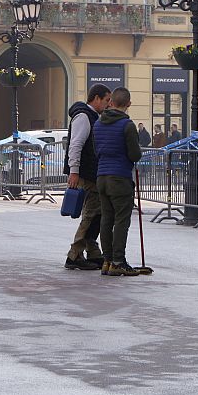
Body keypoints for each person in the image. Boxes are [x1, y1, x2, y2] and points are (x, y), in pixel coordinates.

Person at [93, 87, 143, 277]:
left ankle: (107, 260)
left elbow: (96, 150)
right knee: (121, 220)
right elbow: (134, 154)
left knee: (106, 219)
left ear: (111, 102)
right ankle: (118, 261)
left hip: (102, 176)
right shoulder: (127, 125)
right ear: (128, 104)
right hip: (120, 177)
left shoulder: (98, 124)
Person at [62, 83, 111, 271]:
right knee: (91, 214)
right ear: (96, 98)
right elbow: (75, 145)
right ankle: (74, 255)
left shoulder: (91, 116)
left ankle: (93, 251)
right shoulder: (84, 117)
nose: (108, 104)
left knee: (96, 213)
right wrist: (74, 171)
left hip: (90, 173)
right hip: (86, 174)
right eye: (106, 100)